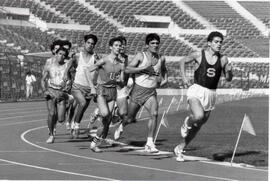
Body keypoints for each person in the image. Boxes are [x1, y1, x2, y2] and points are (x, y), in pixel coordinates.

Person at [174, 31, 233, 161]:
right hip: (196, 90)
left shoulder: (223, 59)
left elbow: (228, 79)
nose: (219, 44)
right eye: (216, 42)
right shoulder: (199, 54)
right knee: (198, 116)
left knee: (198, 125)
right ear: (209, 43)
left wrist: (229, 71)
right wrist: (184, 77)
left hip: (211, 94)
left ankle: (180, 147)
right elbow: (182, 61)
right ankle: (187, 121)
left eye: (220, 42)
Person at [115, 33, 168, 153]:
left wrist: (165, 80)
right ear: (147, 45)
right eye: (152, 43)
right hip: (138, 91)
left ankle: (149, 142)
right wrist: (143, 69)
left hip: (151, 92)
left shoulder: (161, 58)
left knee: (154, 114)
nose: (155, 45)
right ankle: (122, 125)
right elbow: (127, 69)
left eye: (157, 43)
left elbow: (164, 71)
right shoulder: (141, 56)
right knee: (129, 118)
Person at [88, 37, 125, 152]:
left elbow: (122, 82)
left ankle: (94, 143)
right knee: (105, 113)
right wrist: (92, 87)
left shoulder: (121, 64)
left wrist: (119, 80)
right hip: (101, 90)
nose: (118, 48)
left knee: (107, 121)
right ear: (111, 47)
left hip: (112, 91)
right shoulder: (104, 60)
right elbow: (87, 70)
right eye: (116, 45)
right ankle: (97, 112)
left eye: (120, 46)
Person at [65, 34, 99, 139]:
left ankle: (74, 124)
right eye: (88, 43)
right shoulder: (77, 56)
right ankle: (76, 127)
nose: (90, 45)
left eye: (92, 44)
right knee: (82, 103)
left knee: (82, 109)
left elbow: (99, 69)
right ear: (84, 43)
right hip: (77, 86)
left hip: (89, 87)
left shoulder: (95, 57)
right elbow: (68, 68)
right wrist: (67, 80)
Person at [41, 47, 69, 144]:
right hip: (51, 91)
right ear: (56, 54)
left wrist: (67, 87)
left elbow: (72, 78)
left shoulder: (67, 66)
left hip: (61, 94)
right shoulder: (49, 66)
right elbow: (42, 80)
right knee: (51, 114)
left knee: (61, 119)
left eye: (64, 55)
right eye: (60, 54)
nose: (62, 56)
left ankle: (66, 105)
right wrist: (45, 91)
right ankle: (51, 134)